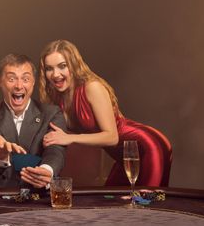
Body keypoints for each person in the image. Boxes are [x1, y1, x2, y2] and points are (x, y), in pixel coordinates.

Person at [39, 39, 172, 187]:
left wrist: (70, 138)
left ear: (74, 64)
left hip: (147, 147)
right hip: (123, 157)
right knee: (113, 203)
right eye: (49, 69)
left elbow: (112, 137)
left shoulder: (92, 87)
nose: (55, 74)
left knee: (147, 204)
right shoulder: (57, 98)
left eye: (62, 66)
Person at [0, 54, 67, 188]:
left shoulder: (52, 114)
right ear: (0, 81)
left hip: (38, 196)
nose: (19, 86)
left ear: (33, 82)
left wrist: (46, 170)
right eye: (11, 79)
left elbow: (55, 151)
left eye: (25, 79)